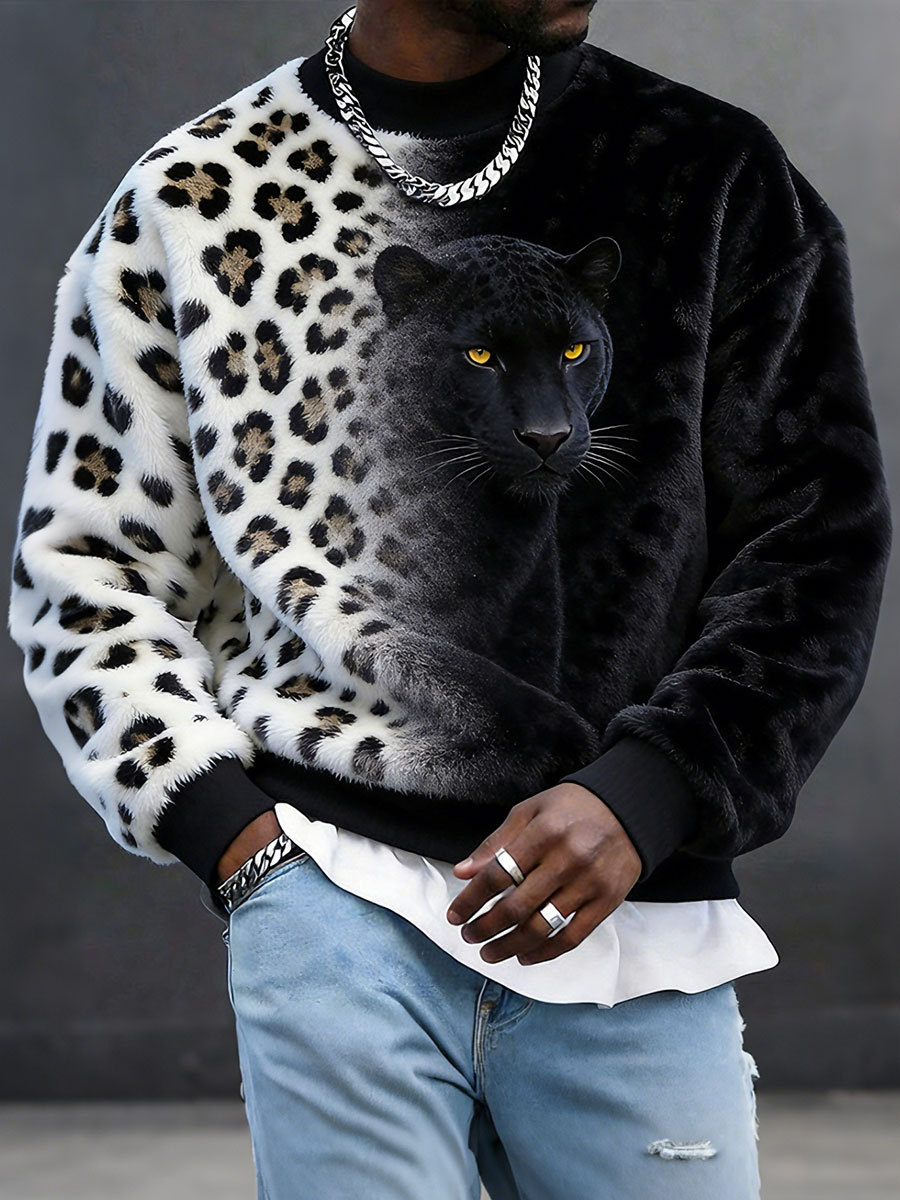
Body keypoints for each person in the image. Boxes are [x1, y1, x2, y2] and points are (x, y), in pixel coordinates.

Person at [7, 1, 892, 1196]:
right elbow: (88, 570)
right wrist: (245, 852)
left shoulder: (714, 175)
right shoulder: (194, 196)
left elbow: (817, 546)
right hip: (332, 900)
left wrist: (653, 790)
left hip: (634, 920)